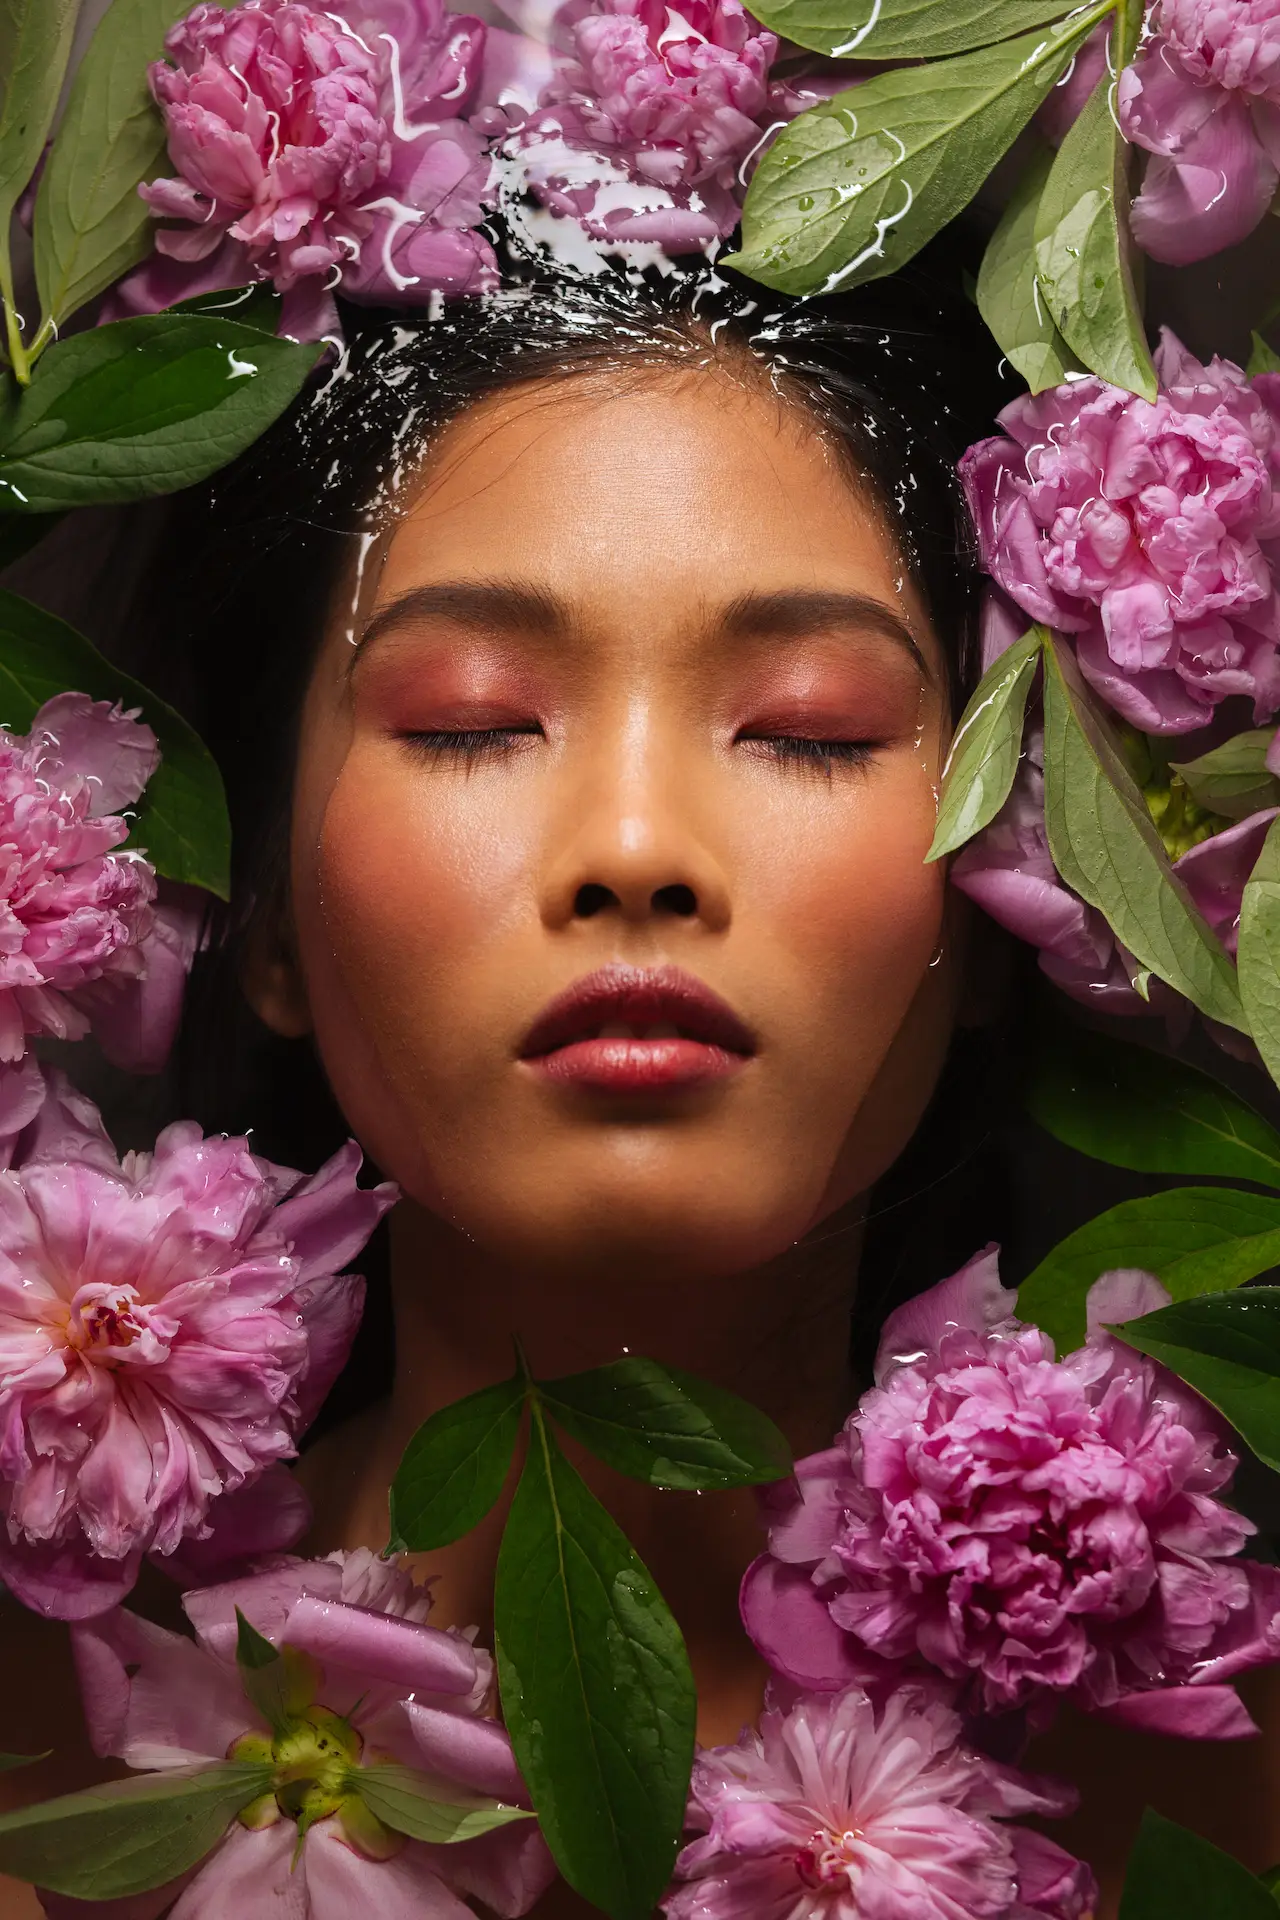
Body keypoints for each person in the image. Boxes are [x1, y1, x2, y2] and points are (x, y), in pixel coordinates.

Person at [1, 259, 1276, 1919]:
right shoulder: (39, 1789)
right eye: (472, 721)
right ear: (262, 916)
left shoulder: (1213, 1802)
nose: (632, 852)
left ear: (1007, 900)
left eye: (811, 730)